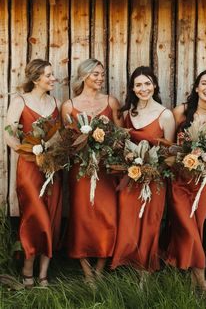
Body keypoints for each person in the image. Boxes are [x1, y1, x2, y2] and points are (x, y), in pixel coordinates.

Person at [165, 69, 206, 297]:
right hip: (179, 181)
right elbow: (168, 146)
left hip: (202, 183)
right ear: (196, 88)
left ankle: (194, 281)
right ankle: (203, 282)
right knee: (187, 227)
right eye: (204, 83)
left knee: (196, 229)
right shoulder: (180, 112)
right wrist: (180, 158)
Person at [61, 58, 123, 284]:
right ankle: (88, 274)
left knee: (108, 216)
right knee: (81, 217)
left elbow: (120, 135)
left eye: (102, 74)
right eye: (95, 74)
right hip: (81, 170)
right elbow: (67, 140)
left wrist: (108, 145)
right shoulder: (69, 106)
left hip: (105, 169)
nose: (99, 78)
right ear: (84, 76)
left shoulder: (111, 102)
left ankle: (99, 270)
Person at [111, 66, 175, 273]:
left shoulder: (165, 115)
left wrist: (151, 169)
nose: (143, 88)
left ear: (155, 85)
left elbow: (170, 153)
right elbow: (121, 144)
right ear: (132, 88)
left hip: (153, 179)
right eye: (138, 85)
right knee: (128, 222)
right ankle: (128, 265)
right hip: (130, 178)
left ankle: (145, 272)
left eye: (147, 83)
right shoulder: (127, 114)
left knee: (150, 223)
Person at [4, 59, 62, 288]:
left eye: (52, 74)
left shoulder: (56, 102)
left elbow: (60, 136)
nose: (53, 78)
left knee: (52, 215)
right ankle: (28, 268)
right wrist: (29, 151)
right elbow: (9, 134)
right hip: (29, 167)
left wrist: (51, 151)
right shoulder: (20, 101)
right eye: (48, 75)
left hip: (52, 168)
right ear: (36, 78)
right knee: (34, 215)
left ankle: (43, 274)